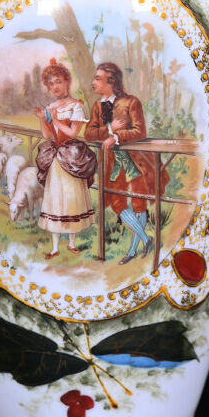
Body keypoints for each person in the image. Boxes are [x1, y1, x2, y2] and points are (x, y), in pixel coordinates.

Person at [85, 62, 169, 265]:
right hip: (113, 164)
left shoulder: (131, 102)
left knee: (139, 203)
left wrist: (116, 137)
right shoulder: (97, 106)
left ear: (111, 82)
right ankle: (146, 239)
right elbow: (88, 133)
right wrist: (109, 130)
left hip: (137, 161)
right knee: (117, 203)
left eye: (98, 78)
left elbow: (140, 131)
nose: (94, 82)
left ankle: (132, 251)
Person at [34, 59, 97, 259]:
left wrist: (56, 119)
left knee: (71, 198)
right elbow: (47, 135)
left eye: (58, 82)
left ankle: (71, 242)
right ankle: (54, 247)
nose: (55, 87)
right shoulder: (50, 106)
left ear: (67, 82)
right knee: (55, 198)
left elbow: (72, 132)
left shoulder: (76, 106)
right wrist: (43, 119)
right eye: (51, 84)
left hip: (71, 156)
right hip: (55, 158)